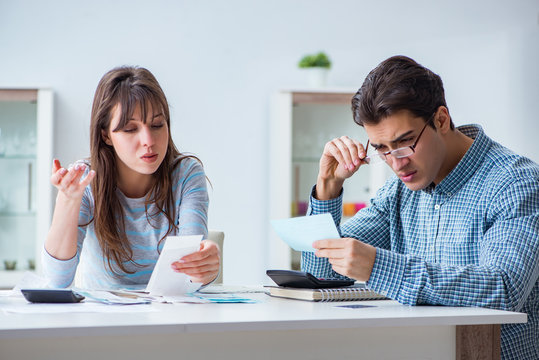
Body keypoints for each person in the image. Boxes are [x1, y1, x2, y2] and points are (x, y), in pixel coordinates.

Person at [302, 55, 538, 359]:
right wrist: (327, 187)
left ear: (440, 119)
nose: (396, 163)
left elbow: (503, 290)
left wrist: (378, 266)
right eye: (382, 150)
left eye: (405, 142)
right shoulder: (398, 192)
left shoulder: (515, 182)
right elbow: (321, 274)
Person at [42, 66, 220, 289]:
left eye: (157, 125)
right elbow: (57, 280)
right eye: (129, 129)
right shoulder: (86, 179)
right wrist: (67, 202)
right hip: (103, 319)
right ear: (106, 135)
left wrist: (205, 268)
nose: (148, 140)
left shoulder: (186, 175)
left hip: (168, 317)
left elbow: (190, 277)